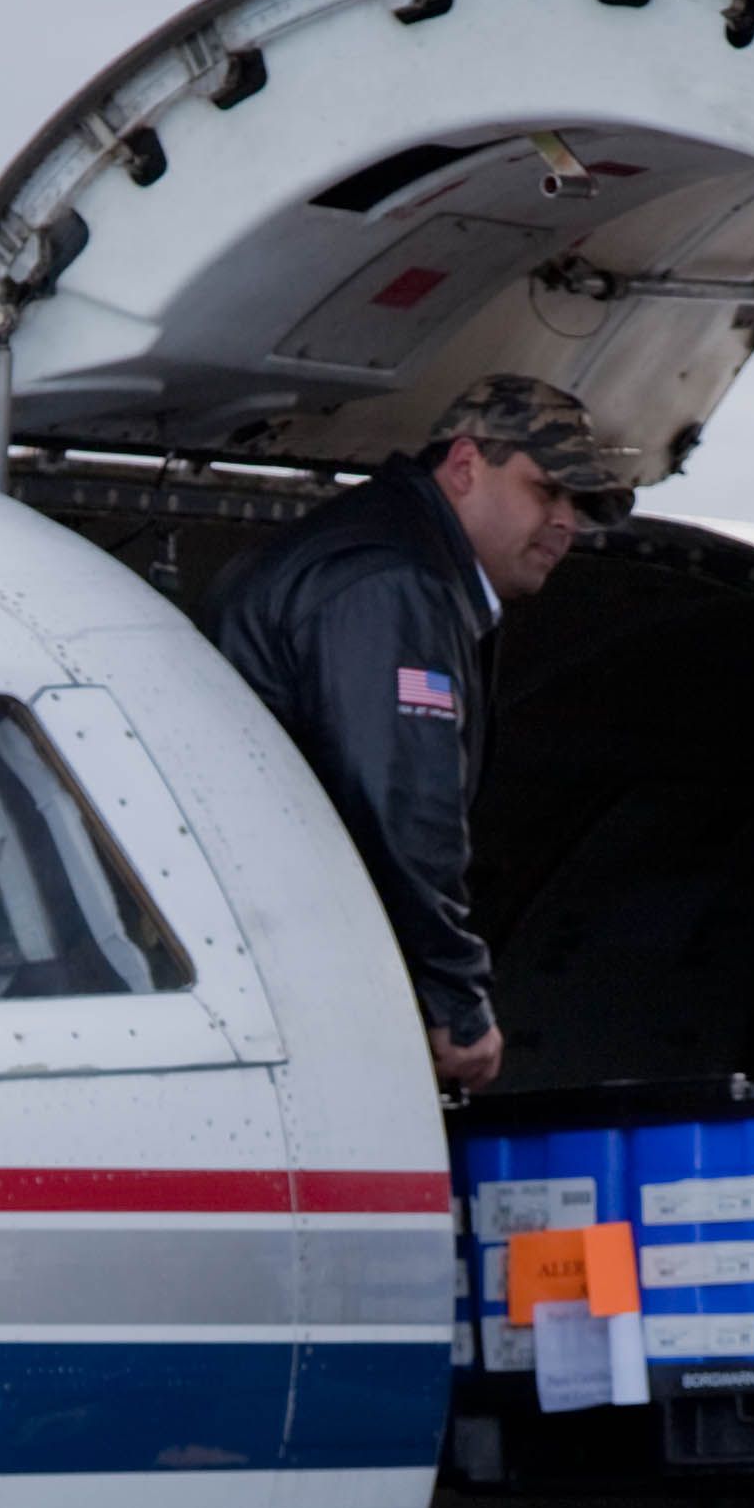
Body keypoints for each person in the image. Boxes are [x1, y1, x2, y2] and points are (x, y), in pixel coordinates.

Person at [205, 374, 634, 1094]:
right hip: (291, 953)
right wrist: (454, 995)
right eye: (546, 491)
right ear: (465, 466)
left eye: (579, 506)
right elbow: (401, 802)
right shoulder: (395, 582)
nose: (566, 522)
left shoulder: (384, 553)